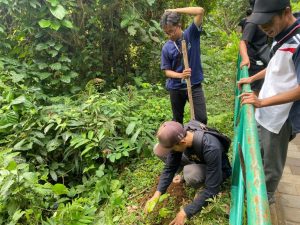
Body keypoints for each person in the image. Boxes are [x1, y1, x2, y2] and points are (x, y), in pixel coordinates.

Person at [238, 0, 300, 203]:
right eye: (260, 23)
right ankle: (251, 195)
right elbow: (275, 65)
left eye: (267, 21)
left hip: (281, 117)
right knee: (258, 151)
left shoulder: (297, 41)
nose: (263, 28)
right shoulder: (280, 33)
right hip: (266, 107)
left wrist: (262, 103)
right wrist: (253, 78)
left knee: (271, 165)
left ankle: (263, 203)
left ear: (286, 12)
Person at [144, 121, 232, 224]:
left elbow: (212, 189)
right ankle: (186, 172)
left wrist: (185, 212)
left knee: (190, 173)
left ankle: (199, 184)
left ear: (182, 143)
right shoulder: (182, 135)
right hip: (198, 158)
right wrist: (157, 194)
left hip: (219, 170)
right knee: (158, 150)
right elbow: (169, 168)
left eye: (173, 149)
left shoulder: (211, 147)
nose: (171, 151)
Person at [160, 7, 207, 125]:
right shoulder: (167, 47)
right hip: (175, 88)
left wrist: (175, 10)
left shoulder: (191, 34)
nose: (170, 35)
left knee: (201, 119)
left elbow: (200, 11)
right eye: (166, 33)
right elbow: (167, 71)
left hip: (194, 84)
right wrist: (181, 75)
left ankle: (197, 140)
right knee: (177, 121)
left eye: (172, 31)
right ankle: (181, 141)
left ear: (179, 25)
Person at [239, 3, 269, 95]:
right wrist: (245, 58)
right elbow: (243, 41)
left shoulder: (265, 20)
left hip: (263, 58)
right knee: (255, 89)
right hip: (254, 60)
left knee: (261, 88)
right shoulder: (252, 22)